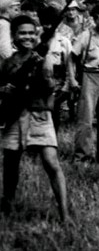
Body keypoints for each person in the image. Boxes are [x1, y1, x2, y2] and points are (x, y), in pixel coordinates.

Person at [0, 15, 68, 222]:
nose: (27, 37)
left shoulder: (41, 58)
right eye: (22, 33)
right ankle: (8, 207)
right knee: (11, 164)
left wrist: (44, 64)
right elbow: (4, 83)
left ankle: (65, 214)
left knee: (51, 162)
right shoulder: (9, 62)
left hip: (39, 114)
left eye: (31, 33)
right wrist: (5, 89)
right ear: (13, 36)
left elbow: (49, 86)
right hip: (14, 116)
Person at [68, 3, 99, 163]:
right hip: (89, 76)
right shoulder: (86, 36)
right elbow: (71, 57)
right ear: (95, 20)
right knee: (85, 118)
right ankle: (83, 156)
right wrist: (72, 79)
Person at [37, 4, 72, 132]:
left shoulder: (64, 42)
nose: (47, 26)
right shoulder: (36, 40)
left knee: (54, 117)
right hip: (38, 84)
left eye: (50, 23)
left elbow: (69, 66)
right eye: (44, 23)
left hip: (56, 85)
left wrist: (66, 87)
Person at [0, 0, 20, 65]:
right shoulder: (5, 25)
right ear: (8, 9)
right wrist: (13, 64)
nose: (17, 13)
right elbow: (4, 48)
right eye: (15, 10)